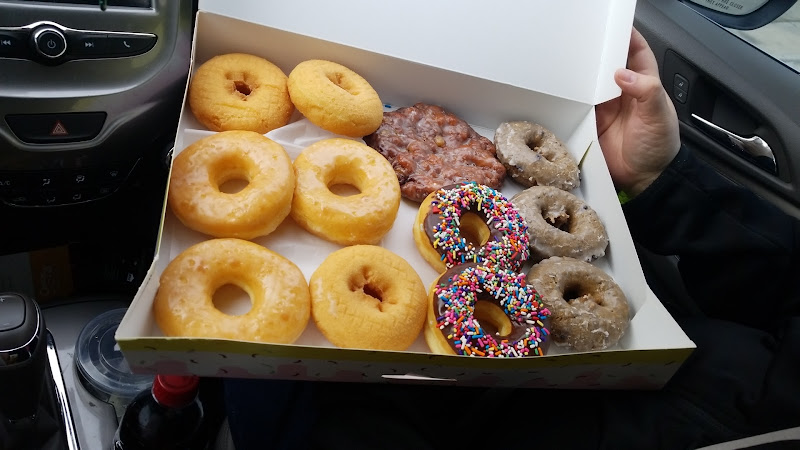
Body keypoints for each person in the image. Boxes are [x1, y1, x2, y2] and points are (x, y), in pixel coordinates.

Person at [222, 28, 800, 449]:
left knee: (248, 390)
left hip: (383, 406)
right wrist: (661, 182)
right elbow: (784, 282)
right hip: (462, 364)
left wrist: (354, 401)